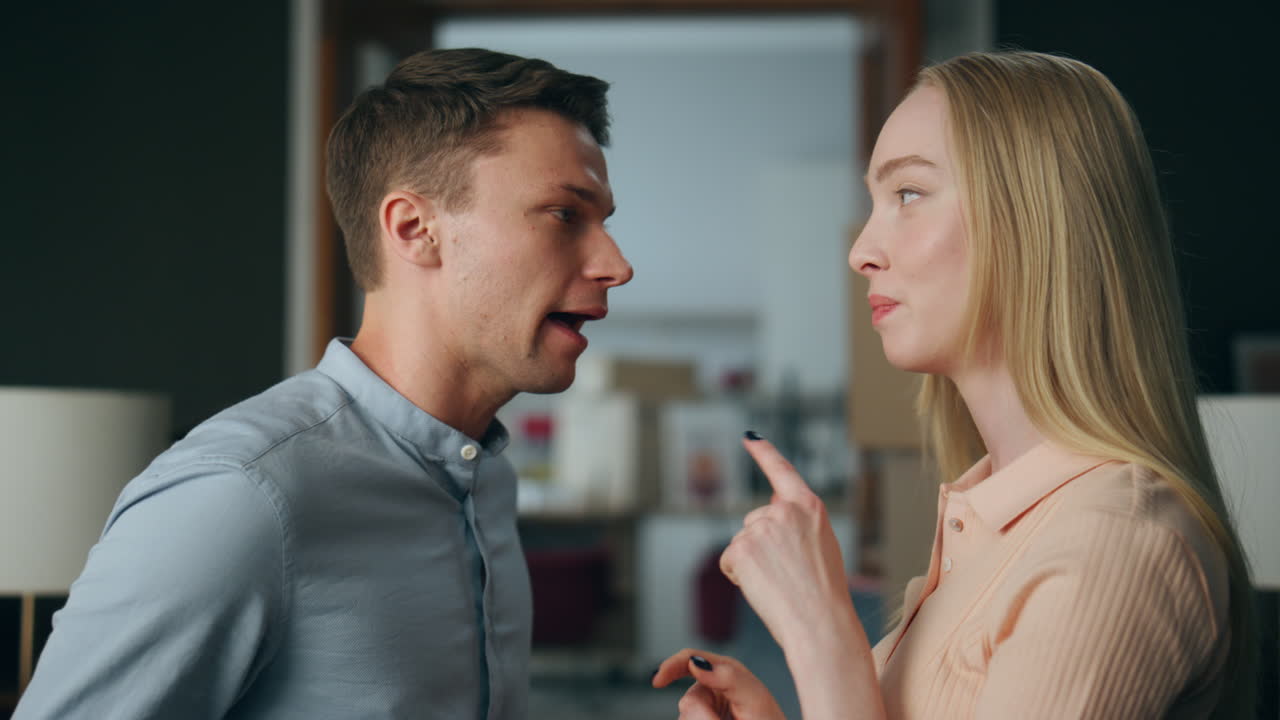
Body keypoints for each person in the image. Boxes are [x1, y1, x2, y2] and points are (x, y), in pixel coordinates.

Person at [15, 47, 632, 719]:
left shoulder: (490, 482)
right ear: (414, 229)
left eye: (604, 222)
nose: (616, 265)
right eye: (565, 215)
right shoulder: (238, 497)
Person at [653, 50, 1255, 719]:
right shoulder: (989, 528)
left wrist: (821, 633)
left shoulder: (1115, 543)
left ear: (1034, 219)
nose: (861, 252)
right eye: (876, 201)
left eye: (908, 194)